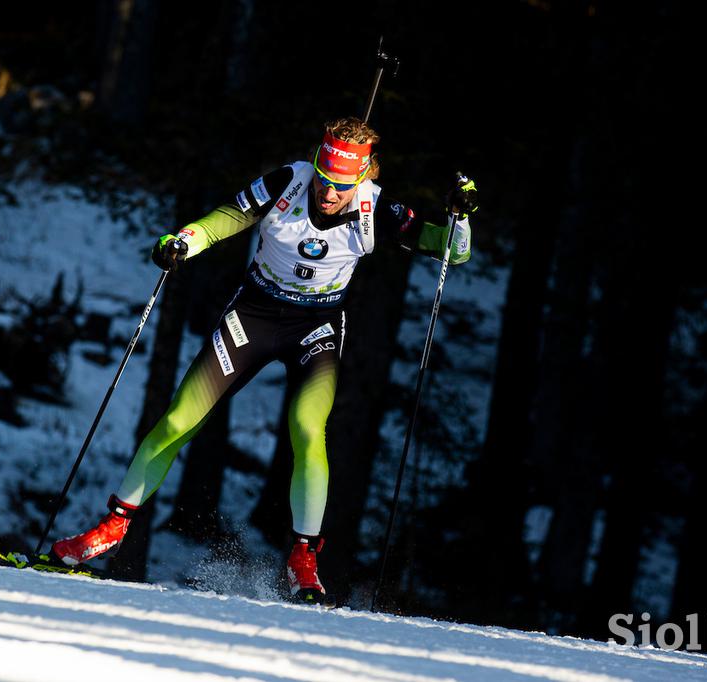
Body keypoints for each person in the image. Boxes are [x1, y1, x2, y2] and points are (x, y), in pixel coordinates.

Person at [51, 117, 478, 603]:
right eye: (324, 179)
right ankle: (111, 528)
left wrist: (460, 217)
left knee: (306, 427)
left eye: (340, 186)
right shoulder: (287, 181)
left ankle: (303, 559)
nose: (328, 193)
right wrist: (183, 242)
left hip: (316, 324)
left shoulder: (375, 206)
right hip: (255, 313)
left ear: (359, 179)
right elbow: (226, 218)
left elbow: (451, 252)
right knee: (177, 420)